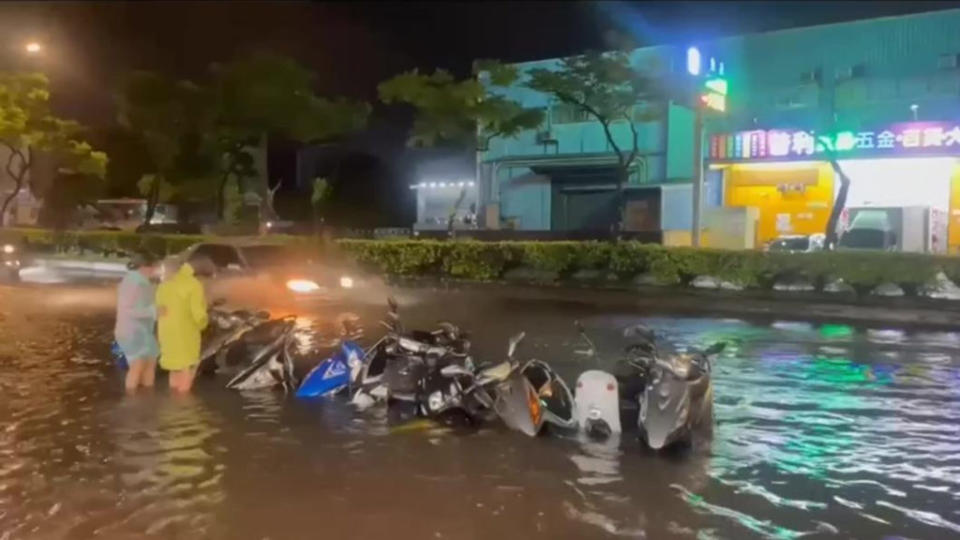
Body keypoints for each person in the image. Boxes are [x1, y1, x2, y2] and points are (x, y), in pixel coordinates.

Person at [156, 253, 215, 393]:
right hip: (185, 334)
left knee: (174, 368)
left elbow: (159, 310)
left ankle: (172, 404)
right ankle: (182, 406)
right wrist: (204, 323)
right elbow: (198, 314)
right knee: (187, 368)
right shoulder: (193, 285)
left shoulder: (164, 285)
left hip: (166, 333)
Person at [115, 252, 161, 393]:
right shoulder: (135, 283)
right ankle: (133, 399)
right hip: (133, 331)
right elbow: (129, 310)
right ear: (146, 267)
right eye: (154, 267)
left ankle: (145, 397)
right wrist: (154, 311)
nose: (156, 270)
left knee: (150, 361)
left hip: (141, 331)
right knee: (137, 366)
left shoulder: (139, 282)